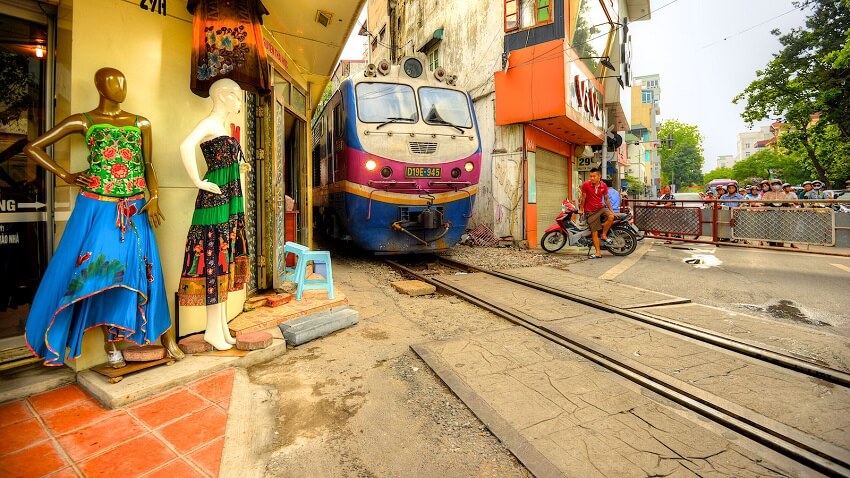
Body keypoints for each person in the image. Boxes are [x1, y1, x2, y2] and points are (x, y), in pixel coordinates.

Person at [22, 68, 181, 366]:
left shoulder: (140, 122)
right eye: (113, 82)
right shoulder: (84, 120)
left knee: (146, 269)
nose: (120, 88)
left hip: (135, 208)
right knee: (100, 271)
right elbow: (33, 147)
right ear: (99, 85)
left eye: (123, 82)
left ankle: (165, 336)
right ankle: (111, 343)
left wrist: (155, 197)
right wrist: (65, 174)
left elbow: (148, 164)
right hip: (98, 206)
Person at [178, 78, 250, 350]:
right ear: (221, 96)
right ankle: (212, 330)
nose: (239, 102)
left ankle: (219, 328)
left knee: (223, 260)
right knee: (213, 259)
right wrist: (197, 180)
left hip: (228, 200)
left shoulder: (220, 127)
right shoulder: (209, 124)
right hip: (214, 202)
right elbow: (185, 146)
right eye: (235, 96)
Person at [578, 168, 614, 259]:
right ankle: (598, 253)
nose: (592, 178)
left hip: (601, 208)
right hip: (590, 212)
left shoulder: (604, 185)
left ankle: (604, 234)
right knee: (594, 233)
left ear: (599, 176)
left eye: (594, 176)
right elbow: (583, 198)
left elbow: (606, 199)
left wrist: (612, 210)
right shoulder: (586, 185)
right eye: (591, 176)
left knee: (611, 216)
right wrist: (581, 209)